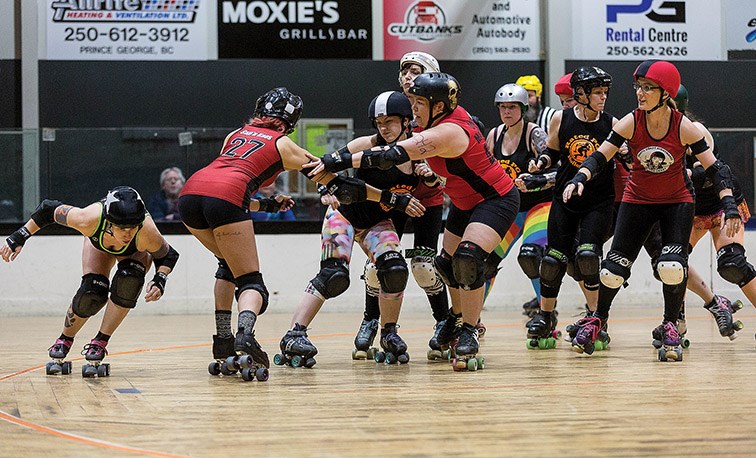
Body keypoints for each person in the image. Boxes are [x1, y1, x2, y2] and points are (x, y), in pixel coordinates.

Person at [178, 87, 424, 380]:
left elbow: (224, 180)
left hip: (190, 194)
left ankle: (223, 341)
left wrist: (267, 204)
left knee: (228, 267)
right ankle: (252, 334)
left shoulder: (235, 134)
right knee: (253, 282)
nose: (384, 127)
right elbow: (338, 186)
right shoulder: (284, 144)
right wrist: (392, 199)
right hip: (335, 212)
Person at [312, 73, 520, 371]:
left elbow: (391, 155)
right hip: (464, 202)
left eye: (419, 102)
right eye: (411, 102)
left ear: (439, 106)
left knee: (468, 261)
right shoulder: (431, 122)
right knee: (446, 266)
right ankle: (454, 318)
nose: (414, 109)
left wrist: (333, 161)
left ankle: (469, 330)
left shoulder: (449, 131)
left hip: (495, 200)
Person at [562, 60, 741, 361]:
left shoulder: (684, 126)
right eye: (638, 87)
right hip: (637, 201)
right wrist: (580, 177)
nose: (640, 94)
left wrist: (730, 205)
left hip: (677, 203)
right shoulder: (631, 121)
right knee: (611, 271)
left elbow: (716, 170)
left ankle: (671, 323)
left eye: (647, 88)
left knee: (671, 266)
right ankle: (598, 319)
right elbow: (600, 155)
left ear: (666, 93)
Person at [275, 90, 426, 367]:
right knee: (334, 276)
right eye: (379, 122)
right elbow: (320, 167)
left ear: (407, 121)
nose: (383, 128)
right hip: (343, 216)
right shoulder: (365, 144)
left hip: (377, 223)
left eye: (389, 121)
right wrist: (327, 187)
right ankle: (294, 334)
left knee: (394, 271)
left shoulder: (417, 153)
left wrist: (433, 177)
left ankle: (389, 333)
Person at [1, 186, 179, 377]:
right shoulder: (88, 219)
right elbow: (47, 209)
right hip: (99, 241)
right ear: (110, 223)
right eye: (121, 228)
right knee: (92, 291)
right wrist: (19, 236)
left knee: (129, 282)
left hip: (136, 251)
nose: (127, 234)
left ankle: (101, 341)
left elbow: (168, 255)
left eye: (132, 227)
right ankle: (65, 339)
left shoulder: (147, 231)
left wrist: (160, 280)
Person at [350, 51, 456, 360]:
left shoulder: (440, 115)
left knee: (424, 267)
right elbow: (370, 145)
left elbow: (453, 169)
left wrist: (435, 176)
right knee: (379, 266)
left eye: (416, 70)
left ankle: (443, 323)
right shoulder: (393, 107)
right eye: (405, 70)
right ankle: (372, 320)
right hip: (392, 199)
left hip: (426, 200)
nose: (409, 76)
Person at [527, 66, 618, 352]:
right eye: (598, 93)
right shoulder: (561, 118)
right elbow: (553, 150)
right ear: (581, 94)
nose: (603, 98)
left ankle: (595, 319)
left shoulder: (611, 124)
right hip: (564, 201)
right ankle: (545, 316)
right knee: (552, 261)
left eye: (605, 93)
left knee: (587, 257)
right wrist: (540, 163)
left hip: (598, 203)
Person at [481, 83, 554, 348]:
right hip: (510, 207)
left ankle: (547, 315)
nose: (507, 111)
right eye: (503, 107)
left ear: (523, 109)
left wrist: (537, 178)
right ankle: (471, 319)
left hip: (539, 205)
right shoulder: (494, 135)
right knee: (485, 261)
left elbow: (558, 173)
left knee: (531, 256)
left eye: (512, 107)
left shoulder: (534, 134)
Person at [676, 84, 749, 341]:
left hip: (720, 204)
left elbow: (714, 173)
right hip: (691, 210)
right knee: (671, 264)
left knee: (733, 264)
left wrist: (730, 208)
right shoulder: (652, 134)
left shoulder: (695, 132)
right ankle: (677, 323)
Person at [520, 72, 579, 318]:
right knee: (530, 256)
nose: (528, 100)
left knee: (581, 258)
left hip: (556, 194)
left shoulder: (552, 119)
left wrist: (540, 177)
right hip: (525, 196)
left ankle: (594, 308)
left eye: (531, 95)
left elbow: (560, 164)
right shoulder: (509, 125)